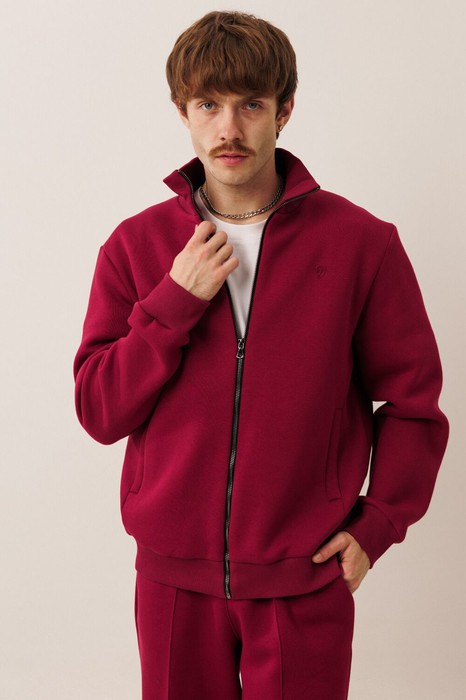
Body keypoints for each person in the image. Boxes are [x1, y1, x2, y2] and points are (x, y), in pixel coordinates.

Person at [74, 10, 449, 699]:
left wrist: (379, 523)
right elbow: (100, 410)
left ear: (285, 109)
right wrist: (173, 302)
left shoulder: (361, 245)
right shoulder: (135, 247)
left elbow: (413, 404)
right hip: (173, 584)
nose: (229, 128)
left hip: (304, 578)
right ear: (182, 112)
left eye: (251, 104)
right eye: (208, 105)